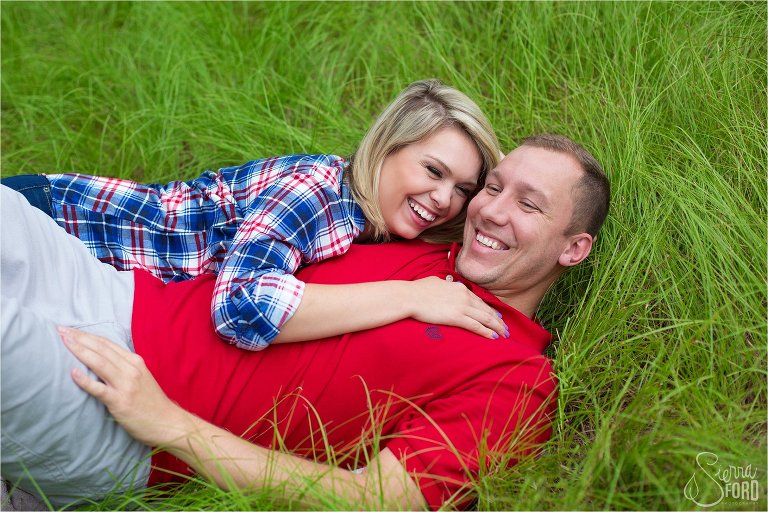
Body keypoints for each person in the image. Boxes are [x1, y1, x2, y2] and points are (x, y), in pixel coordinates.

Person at [0, 134, 610, 509]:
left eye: (528, 205)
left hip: (118, 411)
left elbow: (376, 501)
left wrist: (170, 426)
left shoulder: (519, 382)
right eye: (494, 188)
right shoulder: (420, 238)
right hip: (106, 285)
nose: (491, 212)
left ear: (573, 248)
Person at [1, 79, 508, 350]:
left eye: (463, 189)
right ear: (387, 147)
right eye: (433, 170)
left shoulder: (373, 224)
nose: (445, 199)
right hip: (57, 222)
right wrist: (410, 297)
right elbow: (240, 308)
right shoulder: (316, 195)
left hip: (77, 274)